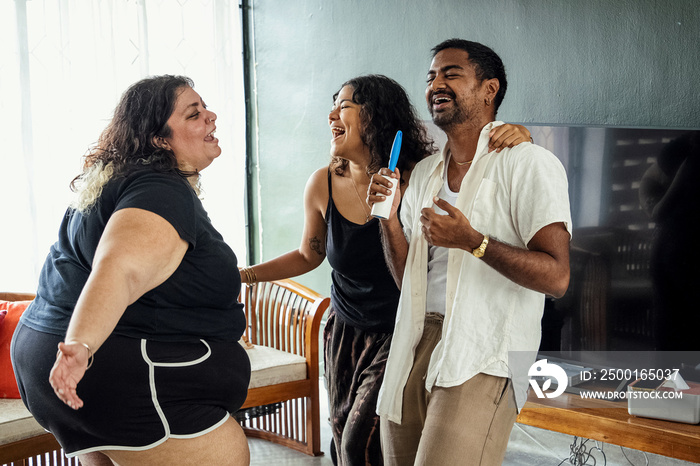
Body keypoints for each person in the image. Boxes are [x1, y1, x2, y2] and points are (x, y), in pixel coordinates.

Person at [238, 74, 531, 465]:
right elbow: (309, 254)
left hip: (400, 332)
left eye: (343, 106)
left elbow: (472, 158)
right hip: (344, 334)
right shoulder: (323, 183)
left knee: (361, 441)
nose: (331, 115)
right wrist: (245, 275)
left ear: (374, 117)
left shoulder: (422, 178)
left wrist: (519, 135)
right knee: (344, 438)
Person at [10, 75, 251, 466]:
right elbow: (120, 268)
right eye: (194, 114)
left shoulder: (117, 179)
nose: (211, 117)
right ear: (160, 139)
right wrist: (80, 348)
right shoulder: (161, 189)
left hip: (56, 360)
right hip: (123, 376)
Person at [369, 39, 572, 465]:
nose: (435, 83)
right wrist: (388, 220)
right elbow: (410, 283)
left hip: (489, 351)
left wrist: (472, 241)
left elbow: (557, 278)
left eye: (451, 73)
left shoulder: (529, 163)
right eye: (431, 76)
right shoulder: (424, 174)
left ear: (489, 89)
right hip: (414, 341)